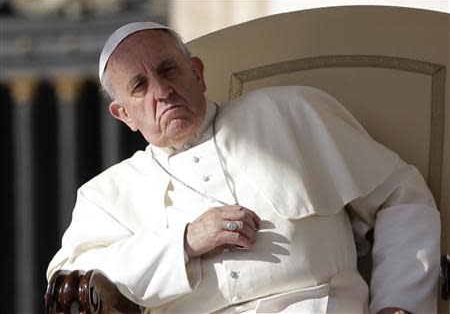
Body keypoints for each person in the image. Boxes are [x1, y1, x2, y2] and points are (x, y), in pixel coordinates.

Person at [47, 22, 440, 314]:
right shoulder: (106, 195)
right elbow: (70, 280)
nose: (161, 92)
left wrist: (398, 304)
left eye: (168, 70)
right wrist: (182, 243)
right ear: (123, 115)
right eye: (139, 86)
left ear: (197, 74)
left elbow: (400, 196)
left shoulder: (291, 113)